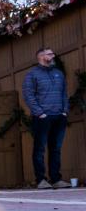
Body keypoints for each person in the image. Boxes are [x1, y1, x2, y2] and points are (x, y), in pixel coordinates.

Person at [22, 47, 71, 189]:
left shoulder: (59, 74)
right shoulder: (32, 75)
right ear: (42, 57)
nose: (53, 55)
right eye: (50, 54)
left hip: (59, 116)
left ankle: (56, 179)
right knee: (40, 149)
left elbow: (64, 94)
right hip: (42, 118)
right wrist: (40, 113)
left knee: (56, 149)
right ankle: (41, 180)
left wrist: (64, 111)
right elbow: (28, 95)